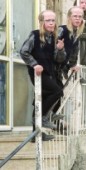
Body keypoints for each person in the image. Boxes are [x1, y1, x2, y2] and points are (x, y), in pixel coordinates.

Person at [20, 10, 66, 141]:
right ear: (42, 22)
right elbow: (23, 52)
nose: (51, 23)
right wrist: (34, 65)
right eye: (48, 20)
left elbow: (59, 59)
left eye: (53, 20)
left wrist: (61, 49)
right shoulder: (34, 35)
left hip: (49, 72)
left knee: (41, 99)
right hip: (38, 73)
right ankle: (44, 118)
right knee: (57, 91)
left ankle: (36, 135)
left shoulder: (54, 37)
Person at [54, 6, 85, 89]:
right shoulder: (62, 30)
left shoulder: (76, 34)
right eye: (75, 16)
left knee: (58, 94)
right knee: (53, 94)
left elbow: (74, 52)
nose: (77, 19)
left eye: (80, 17)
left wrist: (73, 65)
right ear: (69, 17)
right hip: (51, 67)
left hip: (59, 69)